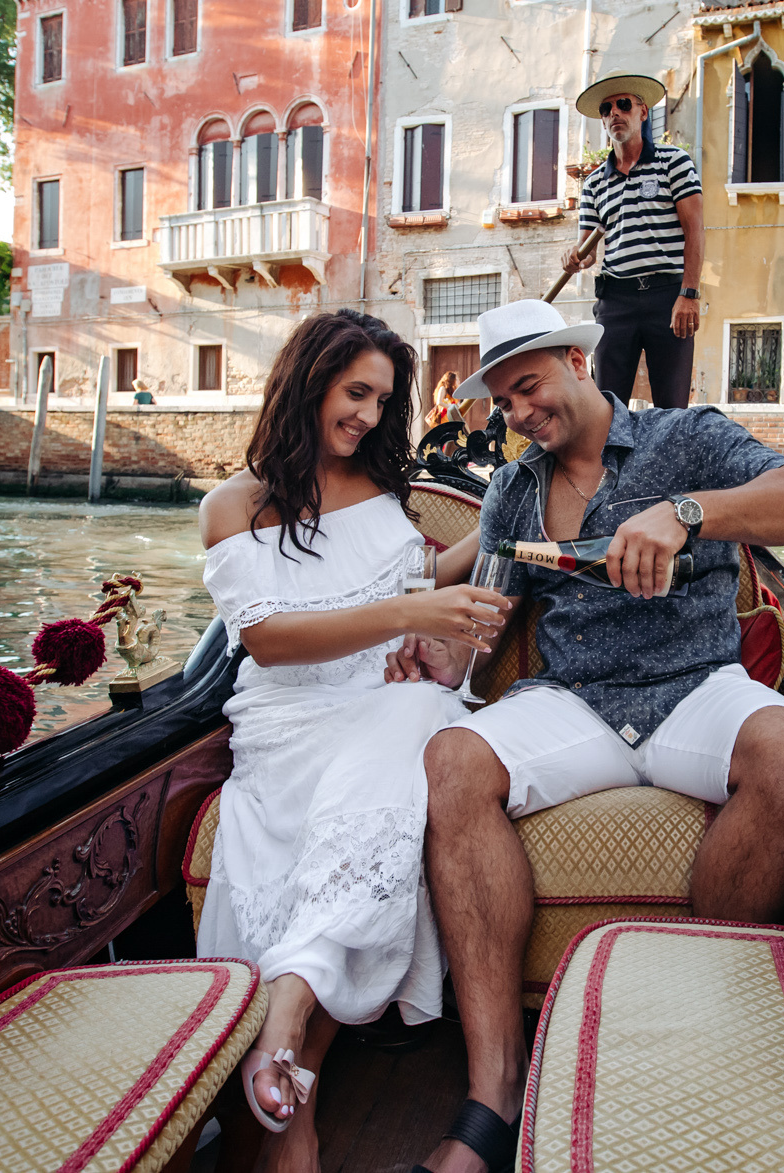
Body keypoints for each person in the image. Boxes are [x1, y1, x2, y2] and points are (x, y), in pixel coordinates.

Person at [395, 298, 784, 1173]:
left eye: (528, 388)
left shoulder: (688, 436)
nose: (520, 415)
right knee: (452, 759)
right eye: (505, 403)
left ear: (574, 358)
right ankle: (494, 1095)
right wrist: (439, 645)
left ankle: (696, 1028)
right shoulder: (516, 490)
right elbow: (485, 619)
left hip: (696, 688)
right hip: (574, 700)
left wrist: (687, 513)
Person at [196, 309, 509, 1172]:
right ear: (308, 381)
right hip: (289, 719)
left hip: (386, 701)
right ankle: (295, 1101)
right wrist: (412, 612)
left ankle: (288, 1045)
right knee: (393, 758)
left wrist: (502, 523)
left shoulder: (381, 494)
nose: (370, 416)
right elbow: (271, 639)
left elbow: (411, 584)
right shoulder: (233, 505)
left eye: (382, 399)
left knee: (417, 720)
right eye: (356, 392)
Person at [562, 73, 704, 410]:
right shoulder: (595, 183)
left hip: (668, 296)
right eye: (607, 108)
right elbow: (587, 251)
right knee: (606, 406)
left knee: (672, 408)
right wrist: (574, 256)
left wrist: (689, 293)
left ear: (642, 112)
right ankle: (611, 465)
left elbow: (695, 230)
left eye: (623, 104)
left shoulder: (674, 162)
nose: (615, 113)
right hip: (617, 300)